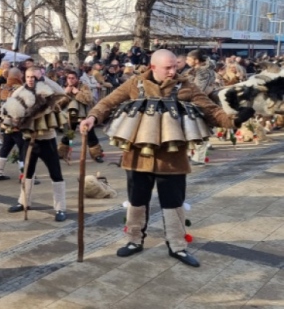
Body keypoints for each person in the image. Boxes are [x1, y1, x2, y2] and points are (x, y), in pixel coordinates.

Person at [79, 49, 254, 267]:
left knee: (173, 203)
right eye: (168, 68)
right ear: (153, 67)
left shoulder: (187, 86)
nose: (173, 71)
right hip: (137, 157)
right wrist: (92, 117)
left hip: (172, 160)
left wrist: (234, 121)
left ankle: (177, 245)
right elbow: (108, 102)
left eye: (175, 66)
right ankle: (134, 240)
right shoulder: (135, 84)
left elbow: (211, 111)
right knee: (136, 201)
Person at [5, 67, 70, 222]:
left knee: (55, 173)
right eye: (27, 76)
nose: (30, 79)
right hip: (29, 139)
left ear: (39, 76)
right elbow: (10, 108)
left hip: (47, 139)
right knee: (27, 172)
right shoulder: (20, 91)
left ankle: (60, 208)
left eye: (33, 77)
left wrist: (44, 79)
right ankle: (23, 202)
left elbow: (62, 93)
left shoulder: (47, 89)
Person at [0, 68, 25, 180]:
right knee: (24, 149)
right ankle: (24, 175)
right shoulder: (21, 89)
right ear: (19, 76)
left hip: (4, 124)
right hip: (18, 125)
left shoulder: (0, 89)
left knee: (5, 147)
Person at [58, 70, 104, 163]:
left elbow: (89, 100)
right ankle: (61, 153)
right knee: (68, 135)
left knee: (90, 136)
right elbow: (58, 104)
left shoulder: (84, 87)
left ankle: (97, 154)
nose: (70, 80)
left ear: (77, 79)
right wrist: (65, 94)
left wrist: (78, 93)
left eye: (73, 78)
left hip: (84, 116)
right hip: (70, 117)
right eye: (69, 78)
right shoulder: (64, 88)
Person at [184, 50, 217, 165]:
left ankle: (199, 157)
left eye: (189, 59)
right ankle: (190, 154)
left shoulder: (203, 72)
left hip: (199, 105)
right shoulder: (194, 71)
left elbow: (198, 90)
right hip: (191, 103)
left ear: (196, 60)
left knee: (200, 130)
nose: (186, 61)